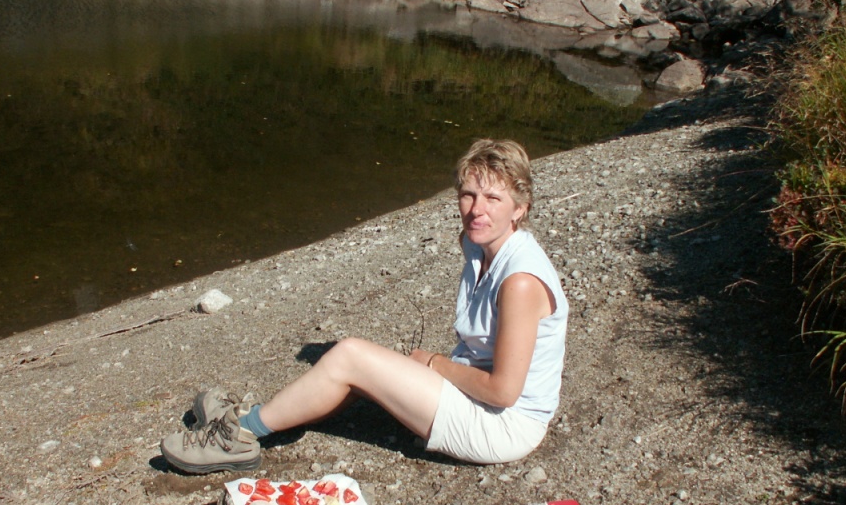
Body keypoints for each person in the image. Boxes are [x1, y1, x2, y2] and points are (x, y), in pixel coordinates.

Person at [160, 138, 568, 472]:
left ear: (520, 208)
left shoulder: (520, 282)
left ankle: (237, 437)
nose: (477, 209)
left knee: (351, 355)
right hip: (476, 398)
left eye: (494, 198)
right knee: (354, 369)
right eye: (468, 194)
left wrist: (435, 364)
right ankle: (250, 421)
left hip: (503, 426)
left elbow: (503, 391)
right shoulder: (478, 246)